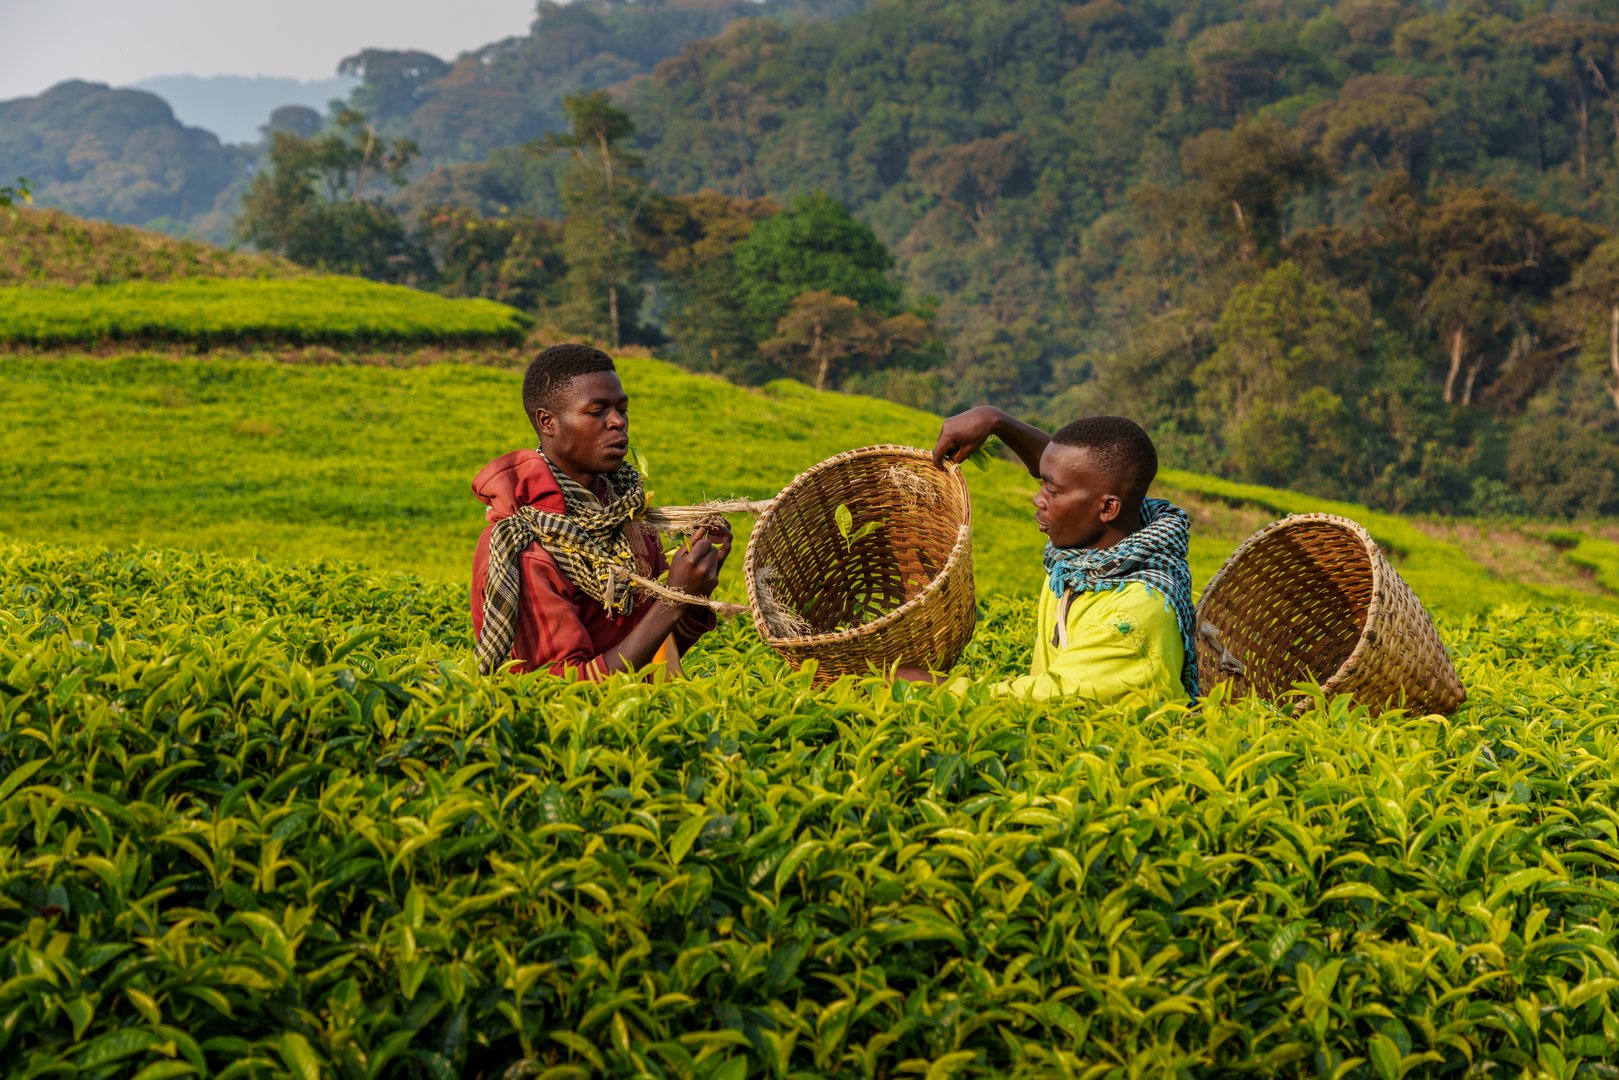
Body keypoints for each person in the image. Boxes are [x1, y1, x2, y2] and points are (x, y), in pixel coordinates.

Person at [897, 406, 1199, 706]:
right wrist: (996, 422)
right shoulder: (1091, 558)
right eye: (1042, 484)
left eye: (1051, 491)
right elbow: (1074, 471)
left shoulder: (1134, 615)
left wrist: (934, 686)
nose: (1037, 498)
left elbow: (1054, 695)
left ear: (1108, 509)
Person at [470, 343, 730, 678]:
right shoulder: (527, 547)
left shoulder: (625, 521)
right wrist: (674, 600)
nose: (617, 423)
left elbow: (653, 653)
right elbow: (563, 690)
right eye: (597, 412)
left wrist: (694, 590)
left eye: (622, 409)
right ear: (547, 422)